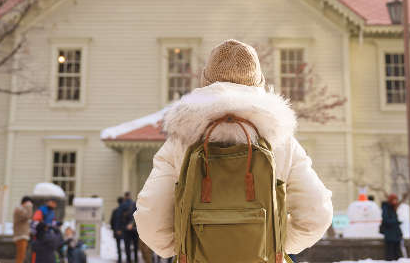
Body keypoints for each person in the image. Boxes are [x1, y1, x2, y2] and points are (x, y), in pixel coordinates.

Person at [134, 39, 333, 259]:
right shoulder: (281, 140)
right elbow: (317, 213)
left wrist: (181, 248)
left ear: (205, 82)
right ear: (259, 83)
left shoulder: (181, 140)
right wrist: (275, 245)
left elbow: (150, 217)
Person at [380, 193, 403, 261]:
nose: (395, 201)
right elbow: (386, 220)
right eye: (394, 200)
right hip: (390, 235)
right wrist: (396, 222)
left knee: (397, 255)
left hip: (395, 235)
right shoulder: (386, 208)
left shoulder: (393, 208)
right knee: (390, 255)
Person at [13, 196, 33, 263]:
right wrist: (29, 206)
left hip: (22, 235)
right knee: (21, 256)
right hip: (20, 235)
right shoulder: (19, 210)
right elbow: (28, 216)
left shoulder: (20, 210)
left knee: (22, 256)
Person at [121, 194, 139, 263]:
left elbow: (120, 217)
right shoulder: (135, 204)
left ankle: (129, 260)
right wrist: (132, 224)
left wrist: (124, 226)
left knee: (127, 247)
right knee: (135, 247)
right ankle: (136, 260)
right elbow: (137, 215)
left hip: (126, 230)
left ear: (125, 197)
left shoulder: (123, 205)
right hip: (134, 229)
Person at [110, 196, 126, 262]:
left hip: (117, 231)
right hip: (125, 231)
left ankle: (119, 259)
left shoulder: (115, 211)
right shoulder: (126, 211)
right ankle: (127, 258)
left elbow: (111, 221)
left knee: (118, 245)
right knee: (126, 245)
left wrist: (114, 229)